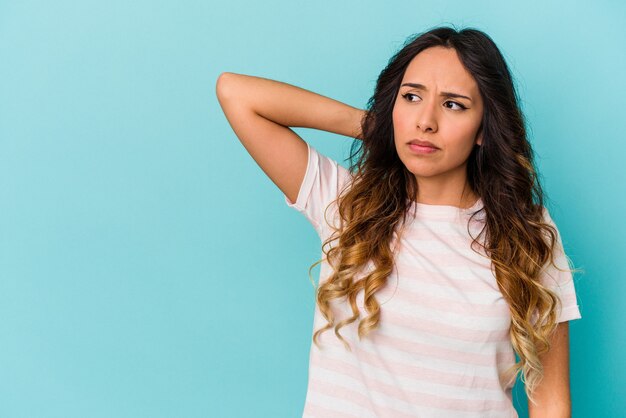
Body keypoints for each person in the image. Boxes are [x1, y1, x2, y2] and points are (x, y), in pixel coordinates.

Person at [216, 25, 582, 418]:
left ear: (483, 130)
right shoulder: (345, 204)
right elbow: (236, 93)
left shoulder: (524, 231)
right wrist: (375, 128)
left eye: (453, 104)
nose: (425, 121)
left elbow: (550, 398)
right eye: (411, 97)